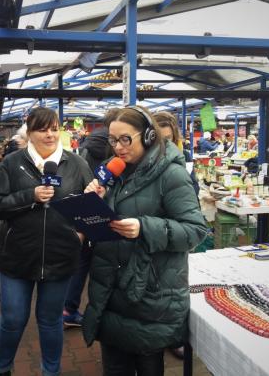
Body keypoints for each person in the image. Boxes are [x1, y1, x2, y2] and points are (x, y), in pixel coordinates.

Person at [83, 106, 206, 376]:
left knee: (148, 366)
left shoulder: (172, 175)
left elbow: (195, 230)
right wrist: (93, 203)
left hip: (149, 294)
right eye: (112, 140)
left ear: (149, 136)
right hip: (110, 290)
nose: (117, 147)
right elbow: (100, 223)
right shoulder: (109, 171)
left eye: (125, 139)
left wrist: (144, 227)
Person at [0, 107, 93, 376]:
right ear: (30, 132)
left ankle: (51, 371)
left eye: (54, 128)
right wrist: (29, 196)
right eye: (42, 129)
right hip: (17, 256)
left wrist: (79, 234)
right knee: (12, 319)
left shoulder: (77, 164)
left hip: (60, 258)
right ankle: (1, 369)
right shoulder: (13, 163)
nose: (50, 134)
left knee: (50, 321)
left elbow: (91, 209)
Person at [62, 108, 120, 328]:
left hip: (87, 203)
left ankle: (68, 308)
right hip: (104, 204)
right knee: (107, 261)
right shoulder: (114, 148)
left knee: (82, 260)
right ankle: (103, 312)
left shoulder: (87, 144)